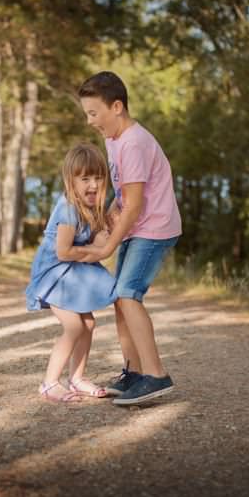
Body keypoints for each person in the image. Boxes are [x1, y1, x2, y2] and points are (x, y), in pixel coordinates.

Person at [77, 70, 182, 405]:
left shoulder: (134, 143)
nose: (90, 121)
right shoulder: (114, 140)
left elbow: (135, 206)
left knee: (128, 293)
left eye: (94, 113)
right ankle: (134, 372)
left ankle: (156, 375)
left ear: (117, 106)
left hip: (154, 229)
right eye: (87, 114)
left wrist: (108, 244)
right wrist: (105, 214)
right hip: (139, 227)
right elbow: (125, 195)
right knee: (118, 297)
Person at [25, 143, 117, 403]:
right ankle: (49, 383)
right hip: (55, 274)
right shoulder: (67, 209)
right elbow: (64, 252)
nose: (93, 184)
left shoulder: (93, 209)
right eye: (85, 178)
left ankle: (77, 378)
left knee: (88, 323)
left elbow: (101, 240)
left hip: (72, 274)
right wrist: (94, 249)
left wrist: (105, 236)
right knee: (74, 325)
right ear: (71, 181)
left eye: (98, 178)